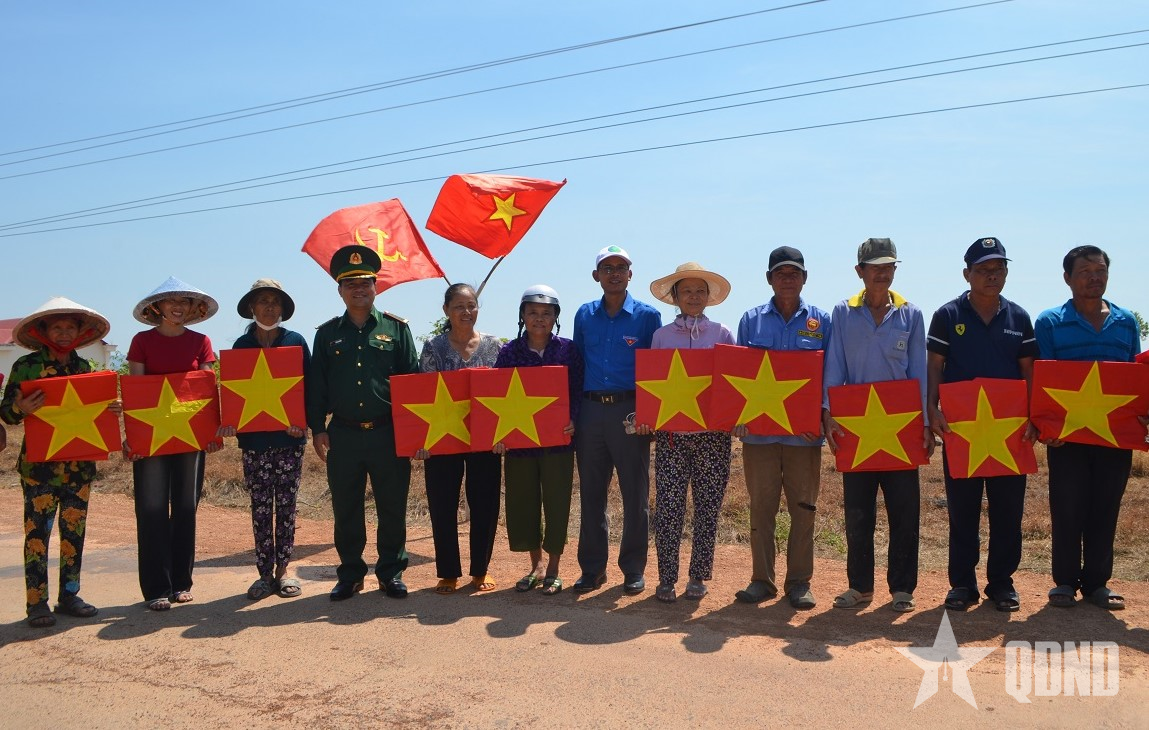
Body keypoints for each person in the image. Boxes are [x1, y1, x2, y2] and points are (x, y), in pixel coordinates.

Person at [926, 238, 1037, 613]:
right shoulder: (947, 315)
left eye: (999, 269)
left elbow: (1029, 372)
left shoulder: (1020, 318)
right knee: (963, 511)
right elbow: (935, 366)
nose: (993, 276)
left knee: (1008, 511)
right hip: (962, 430)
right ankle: (962, 585)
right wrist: (932, 408)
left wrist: (1035, 416)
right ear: (966, 274)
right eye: (984, 270)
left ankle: (1002, 584)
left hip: (1008, 432)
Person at [823, 238, 933, 613]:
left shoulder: (911, 314)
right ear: (860, 272)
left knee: (905, 512)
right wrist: (828, 410)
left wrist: (924, 423)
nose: (882, 273)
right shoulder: (842, 312)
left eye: (888, 266)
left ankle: (902, 589)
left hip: (902, 429)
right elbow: (834, 363)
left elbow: (918, 370)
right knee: (858, 512)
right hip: (855, 429)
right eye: (874, 267)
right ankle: (860, 588)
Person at [306, 245, 419, 601]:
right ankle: (351, 573)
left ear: (376, 286)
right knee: (346, 508)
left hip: (388, 432)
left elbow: (412, 383)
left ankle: (391, 572)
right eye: (350, 283)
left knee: (392, 507)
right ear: (340, 290)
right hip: (343, 435)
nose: (359, 289)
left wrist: (413, 431)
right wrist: (318, 428)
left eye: (366, 282)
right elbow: (317, 386)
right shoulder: (326, 334)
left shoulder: (397, 329)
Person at [1035, 245, 1142, 611]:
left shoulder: (1126, 322)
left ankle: (1098, 583)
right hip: (1066, 438)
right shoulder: (1049, 322)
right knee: (1067, 507)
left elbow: (1135, 380)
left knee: (1106, 507)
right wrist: (1047, 426)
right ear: (1067, 278)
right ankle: (1063, 582)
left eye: (1100, 271)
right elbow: (1042, 380)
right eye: (1085, 272)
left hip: (1115, 435)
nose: (1094, 278)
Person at [1, 297, 119, 628]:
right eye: (57, 327)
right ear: (43, 331)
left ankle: (70, 595)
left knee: (74, 532)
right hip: (39, 468)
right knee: (37, 535)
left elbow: (97, 413)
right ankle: (36, 604)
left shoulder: (85, 369)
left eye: (70, 327)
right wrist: (22, 409)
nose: (64, 333)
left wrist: (111, 410)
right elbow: (7, 413)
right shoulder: (25, 366)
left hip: (79, 466)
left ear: (81, 333)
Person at [732, 247, 831, 610]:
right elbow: (737, 375)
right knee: (761, 508)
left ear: (805, 278)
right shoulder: (751, 320)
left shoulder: (821, 321)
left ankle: (799, 582)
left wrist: (820, 415)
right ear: (769, 278)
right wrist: (738, 416)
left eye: (794, 273)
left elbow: (828, 374)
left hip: (803, 437)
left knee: (804, 508)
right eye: (781, 273)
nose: (788, 279)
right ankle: (762, 580)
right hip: (758, 436)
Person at [638, 262, 735, 603]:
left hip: (713, 437)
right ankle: (666, 578)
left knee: (708, 507)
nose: (694, 297)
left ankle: (698, 576)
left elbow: (731, 385)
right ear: (675, 297)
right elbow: (651, 386)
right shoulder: (661, 336)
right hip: (671, 437)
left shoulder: (723, 334)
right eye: (687, 291)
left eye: (700, 291)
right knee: (668, 507)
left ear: (709, 297)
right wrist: (647, 417)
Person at [125, 276, 221, 611]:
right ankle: (155, 588)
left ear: (194, 309)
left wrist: (212, 434)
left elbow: (207, 390)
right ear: (157, 307)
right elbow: (136, 393)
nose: (178, 307)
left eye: (185, 302)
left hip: (191, 437)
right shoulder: (141, 342)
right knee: (151, 509)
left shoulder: (201, 342)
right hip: (151, 437)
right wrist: (132, 438)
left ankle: (181, 583)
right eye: (170, 302)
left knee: (184, 508)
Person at [572, 245, 662, 594]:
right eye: (606, 267)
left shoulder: (647, 317)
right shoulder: (584, 314)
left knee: (634, 494)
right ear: (596, 275)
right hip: (591, 411)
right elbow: (577, 365)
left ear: (630, 274)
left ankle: (633, 569)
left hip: (630, 411)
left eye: (620, 267)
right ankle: (592, 569)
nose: (613, 273)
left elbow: (656, 372)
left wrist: (650, 416)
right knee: (592, 494)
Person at [218, 279, 311, 601]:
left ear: (283, 309)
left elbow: (308, 388)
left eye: (275, 302)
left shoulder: (296, 341)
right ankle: (262, 574)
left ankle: (284, 571)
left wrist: (304, 425)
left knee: (286, 507)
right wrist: (230, 424)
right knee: (260, 508)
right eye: (263, 301)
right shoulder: (241, 347)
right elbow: (231, 393)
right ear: (252, 308)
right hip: (254, 441)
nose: (269, 307)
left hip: (289, 440)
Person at [493, 285, 582, 596]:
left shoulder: (568, 350)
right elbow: (495, 398)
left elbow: (578, 391)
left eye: (546, 313)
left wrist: (574, 420)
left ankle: (555, 568)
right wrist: (498, 435)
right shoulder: (508, 353)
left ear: (556, 317)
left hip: (558, 441)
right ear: (522, 315)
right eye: (533, 312)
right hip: (519, 445)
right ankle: (536, 566)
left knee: (556, 503)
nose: (539, 319)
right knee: (524, 503)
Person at [415, 283, 503, 595]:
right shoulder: (433, 348)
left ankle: (480, 570)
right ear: (446, 311)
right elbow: (422, 397)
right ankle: (448, 573)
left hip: (486, 441)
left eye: (472, 305)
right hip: (442, 439)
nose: (466, 312)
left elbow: (504, 396)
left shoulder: (495, 347)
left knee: (485, 503)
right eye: (459, 307)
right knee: (442, 503)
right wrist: (422, 441)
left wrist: (502, 435)